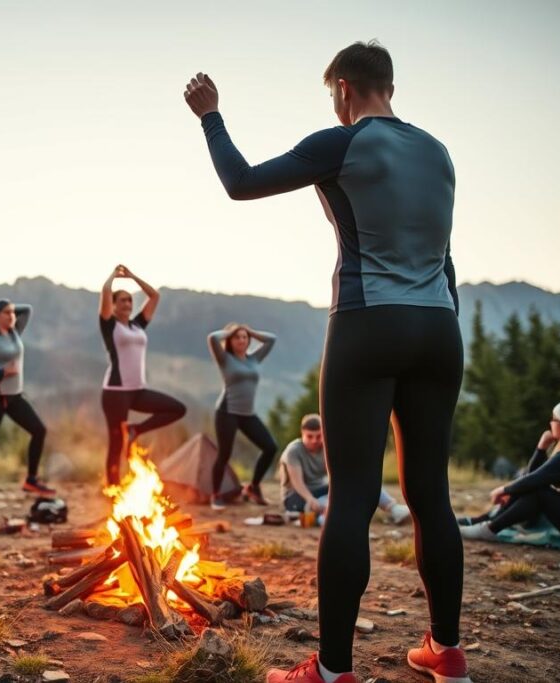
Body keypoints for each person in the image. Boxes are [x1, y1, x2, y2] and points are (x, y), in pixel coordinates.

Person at [185, 41, 470, 683]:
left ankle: (332, 670)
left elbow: (241, 183)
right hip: (439, 326)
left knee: (350, 499)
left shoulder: (342, 143)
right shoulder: (438, 151)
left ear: (343, 88)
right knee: (432, 497)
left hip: (369, 324)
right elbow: (445, 257)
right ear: (387, 85)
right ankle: (447, 654)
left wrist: (211, 116)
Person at [460, 401, 560, 543]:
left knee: (537, 492)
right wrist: (542, 447)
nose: (550, 423)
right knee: (530, 485)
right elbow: (533, 475)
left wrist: (503, 490)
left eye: (554, 420)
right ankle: (480, 521)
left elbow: (534, 479)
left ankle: (488, 530)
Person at [99, 264, 186, 486]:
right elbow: (105, 291)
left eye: (129, 300)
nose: (127, 304)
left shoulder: (138, 325)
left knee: (177, 409)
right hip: (116, 392)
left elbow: (154, 296)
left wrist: (131, 277)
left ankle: (135, 429)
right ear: (114, 306)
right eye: (122, 300)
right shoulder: (109, 325)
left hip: (138, 390)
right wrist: (113, 277)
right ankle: (113, 487)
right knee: (116, 443)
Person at [0, 299, 53, 508]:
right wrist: (1, 372)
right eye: (6, 313)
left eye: (12, 313)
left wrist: (4, 311)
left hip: (14, 397)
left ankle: (31, 480)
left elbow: (28, 309)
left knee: (39, 431)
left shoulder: (14, 331)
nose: (12, 316)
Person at [280, 414, 410, 525]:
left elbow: (335, 473)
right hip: (296, 496)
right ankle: (325, 519)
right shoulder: (293, 451)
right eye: (309, 436)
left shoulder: (325, 447)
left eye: (318, 436)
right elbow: (297, 483)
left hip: (319, 490)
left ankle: (393, 509)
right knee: (330, 506)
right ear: (302, 434)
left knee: (359, 481)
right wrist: (310, 499)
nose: (314, 440)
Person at [207, 323, 278, 509]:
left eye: (244, 337)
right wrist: (233, 329)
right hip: (227, 412)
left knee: (270, 447)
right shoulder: (224, 358)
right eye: (237, 337)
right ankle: (215, 495)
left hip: (247, 414)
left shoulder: (254, 358)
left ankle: (253, 487)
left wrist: (251, 331)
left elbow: (272, 339)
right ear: (230, 340)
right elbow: (213, 338)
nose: (241, 340)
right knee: (224, 454)